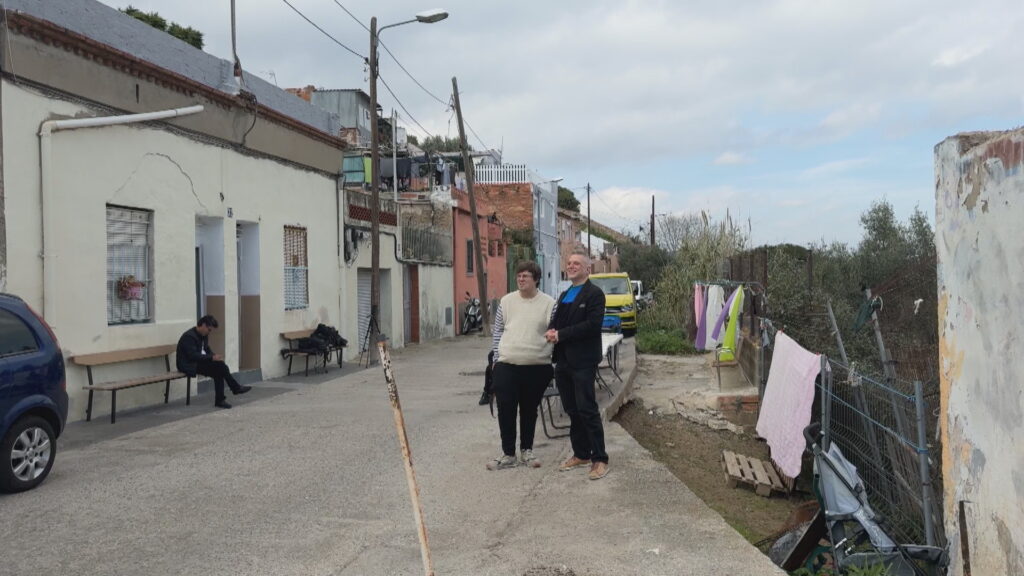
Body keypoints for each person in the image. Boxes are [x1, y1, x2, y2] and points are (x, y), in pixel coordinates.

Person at [486, 261, 556, 471]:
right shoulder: (506, 301)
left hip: (537, 366)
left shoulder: (549, 304)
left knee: (529, 410)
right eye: (519, 275)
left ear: (536, 279)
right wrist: (496, 361)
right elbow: (498, 331)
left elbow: (554, 332)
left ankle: (527, 450)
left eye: (526, 276)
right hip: (507, 365)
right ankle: (508, 454)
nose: (521, 279)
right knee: (506, 409)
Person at [546, 248, 609, 480]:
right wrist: (552, 330)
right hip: (563, 361)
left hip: (583, 361)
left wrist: (560, 334)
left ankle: (600, 458)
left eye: (576, 264)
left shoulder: (594, 294)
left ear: (587, 269)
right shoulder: (566, 294)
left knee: (587, 409)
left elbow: (592, 325)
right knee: (572, 409)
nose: (571, 266)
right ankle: (581, 453)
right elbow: (557, 319)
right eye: (569, 263)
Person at [176, 315, 251, 409]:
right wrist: (211, 358)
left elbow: (207, 350)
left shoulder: (204, 335)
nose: (209, 332)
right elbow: (192, 356)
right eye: (209, 329)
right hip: (187, 364)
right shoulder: (189, 337)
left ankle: (222, 399)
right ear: (203, 325)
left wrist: (214, 356)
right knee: (220, 368)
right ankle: (234, 389)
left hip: (198, 362)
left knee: (219, 368)